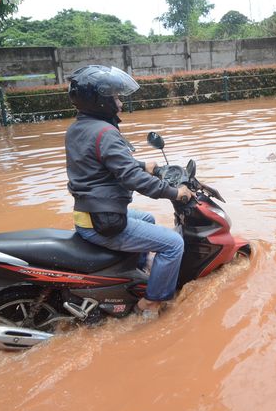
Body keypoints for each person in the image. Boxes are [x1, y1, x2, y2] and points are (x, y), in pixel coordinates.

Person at [64, 65, 194, 318]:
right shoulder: (106, 132)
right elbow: (133, 179)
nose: (120, 102)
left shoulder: (77, 129)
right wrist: (175, 193)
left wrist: (144, 164)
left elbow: (99, 164)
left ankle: (134, 273)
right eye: (115, 97)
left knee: (147, 218)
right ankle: (150, 302)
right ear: (100, 101)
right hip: (105, 221)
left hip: (86, 215)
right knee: (174, 244)